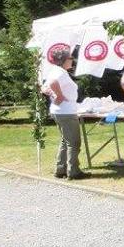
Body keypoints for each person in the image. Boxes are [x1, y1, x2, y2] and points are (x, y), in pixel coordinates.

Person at [41, 48, 91, 180]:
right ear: (63, 60)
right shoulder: (61, 73)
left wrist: (55, 95)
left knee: (65, 141)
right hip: (66, 112)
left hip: (59, 111)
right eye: (70, 58)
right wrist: (59, 95)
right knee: (74, 142)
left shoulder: (56, 71)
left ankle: (60, 169)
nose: (72, 60)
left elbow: (44, 87)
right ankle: (73, 171)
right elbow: (51, 84)